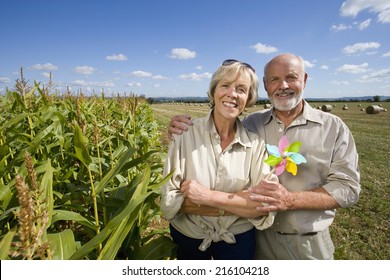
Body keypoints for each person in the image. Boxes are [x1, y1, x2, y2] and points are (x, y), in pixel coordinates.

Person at [167, 53, 361, 260]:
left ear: (304, 80)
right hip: (258, 241)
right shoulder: (252, 125)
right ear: (267, 85)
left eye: (291, 77)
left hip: (308, 243)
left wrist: (289, 200)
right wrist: (179, 127)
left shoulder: (333, 127)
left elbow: (348, 189)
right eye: (275, 79)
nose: (283, 85)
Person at [160, 59, 278, 260]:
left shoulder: (256, 145)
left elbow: (261, 206)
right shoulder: (185, 134)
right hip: (189, 239)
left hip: (238, 243)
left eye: (241, 89)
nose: (232, 94)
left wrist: (204, 196)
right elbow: (169, 201)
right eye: (225, 85)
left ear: (248, 98)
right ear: (214, 91)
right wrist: (238, 205)